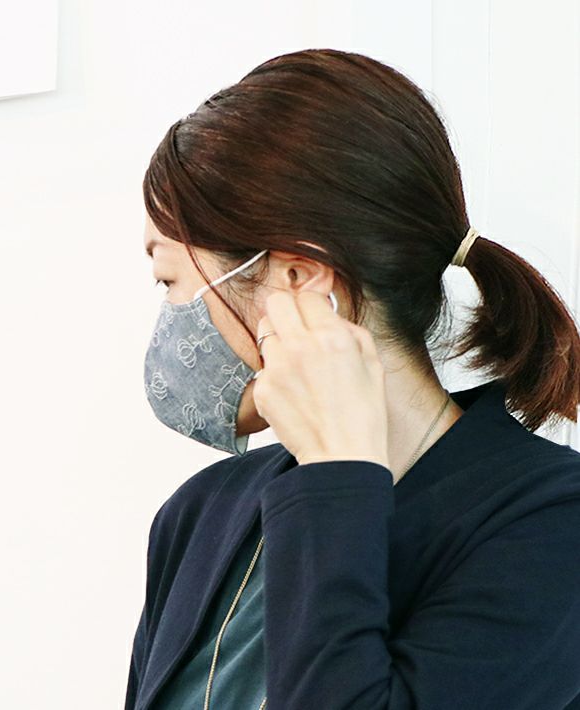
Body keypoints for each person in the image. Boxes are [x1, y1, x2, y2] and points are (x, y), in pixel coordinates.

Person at [126, 48, 580, 710]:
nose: (169, 316)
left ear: (300, 281)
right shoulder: (200, 514)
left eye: (169, 279)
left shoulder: (550, 525)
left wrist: (337, 475)